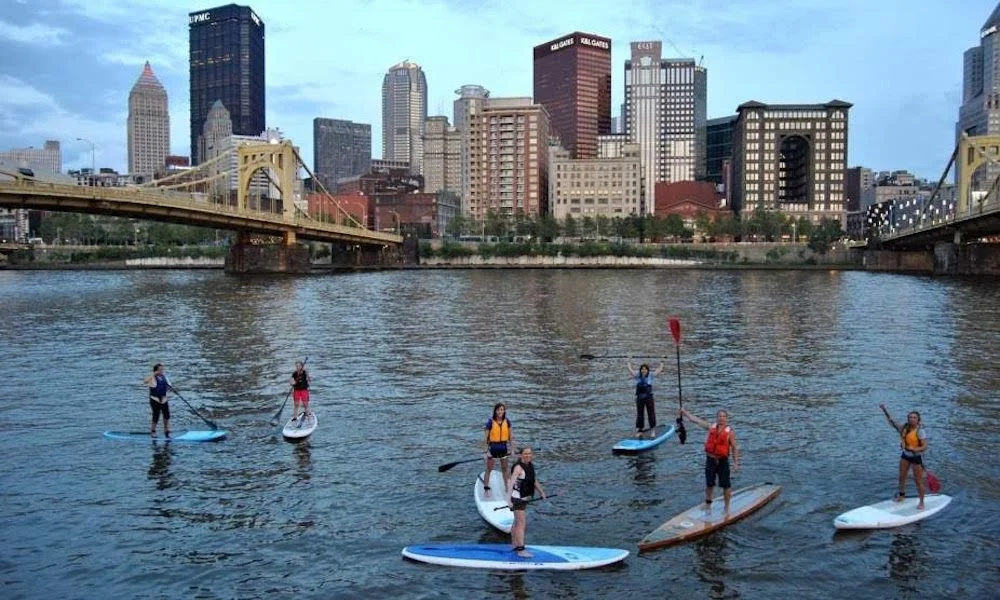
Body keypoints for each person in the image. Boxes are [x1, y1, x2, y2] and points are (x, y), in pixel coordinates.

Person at [680, 407, 740, 513]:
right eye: (719, 416)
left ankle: (726, 507)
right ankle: (708, 504)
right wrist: (685, 413)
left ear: (726, 419)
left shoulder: (730, 432)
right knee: (709, 484)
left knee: (725, 485)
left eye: (723, 417)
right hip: (710, 460)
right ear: (716, 418)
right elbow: (696, 420)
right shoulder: (711, 427)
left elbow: (735, 447)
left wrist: (736, 463)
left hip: (722, 461)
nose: (721, 418)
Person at [880, 403, 928, 510]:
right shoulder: (903, 428)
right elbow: (891, 420)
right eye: (910, 417)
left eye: (914, 417)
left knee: (918, 481)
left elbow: (925, 446)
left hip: (916, 458)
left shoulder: (920, 431)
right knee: (902, 476)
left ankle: (921, 502)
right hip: (905, 456)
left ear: (918, 420)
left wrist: (915, 449)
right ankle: (902, 496)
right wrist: (884, 410)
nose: (912, 419)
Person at [506, 447, 546, 558]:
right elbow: (511, 483)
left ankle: (514, 544)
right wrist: (508, 500)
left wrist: (541, 492)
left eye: (529, 453)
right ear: (521, 455)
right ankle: (521, 550)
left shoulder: (530, 466)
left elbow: (533, 480)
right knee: (521, 524)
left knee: (517, 522)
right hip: (517, 499)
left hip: (523, 498)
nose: (528, 455)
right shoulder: (518, 468)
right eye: (525, 453)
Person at [482, 403, 516, 498]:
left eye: (502, 410)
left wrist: (512, 449)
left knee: (505, 469)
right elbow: (485, 439)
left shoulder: (507, 421)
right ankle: (486, 489)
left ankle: (507, 487)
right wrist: (485, 452)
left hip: (503, 449)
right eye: (498, 410)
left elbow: (511, 437)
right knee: (489, 469)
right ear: (495, 411)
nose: (500, 411)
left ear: (504, 411)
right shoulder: (490, 422)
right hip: (492, 449)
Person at [627, 359, 665, 436]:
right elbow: (630, 369)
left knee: (651, 414)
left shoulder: (651, 375)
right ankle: (640, 430)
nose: (643, 371)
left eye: (645, 369)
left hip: (649, 398)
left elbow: (659, 369)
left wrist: (662, 361)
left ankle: (653, 429)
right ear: (640, 370)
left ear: (647, 370)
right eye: (642, 369)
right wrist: (629, 361)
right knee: (640, 414)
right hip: (640, 398)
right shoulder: (637, 375)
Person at [143, 363, 170, 437]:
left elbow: (168, 387)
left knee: (167, 415)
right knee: (156, 415)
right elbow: (145, 381)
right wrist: (153, 375)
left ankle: (166, 429)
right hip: (155, 399)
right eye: (160, 370)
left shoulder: (165, 377)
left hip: (164, 399)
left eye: (162, 369)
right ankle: (153, 431)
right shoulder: (152, 378)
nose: (162, 371)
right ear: (156, 371)